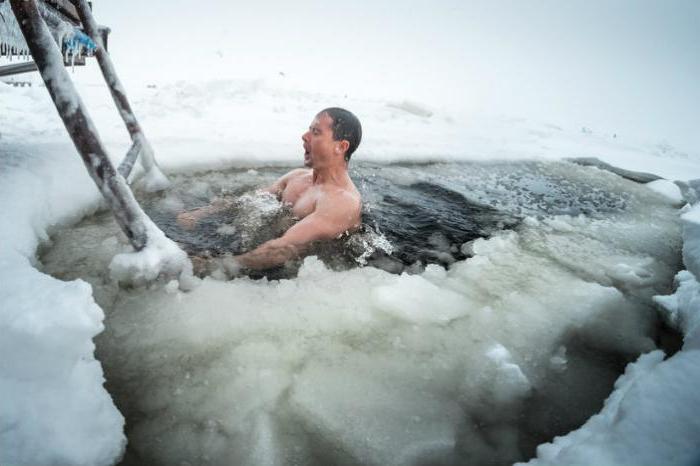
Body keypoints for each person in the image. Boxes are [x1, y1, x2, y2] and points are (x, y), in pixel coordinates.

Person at [177, 107, 363, 272]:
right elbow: (251, 199)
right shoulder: (297, 177)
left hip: (296, 273)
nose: (304, 136)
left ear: (341, 146)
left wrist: (212, 266)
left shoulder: (342, 202)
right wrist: (201, 213)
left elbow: (283, 249)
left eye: (315, 132)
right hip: (261, 245)